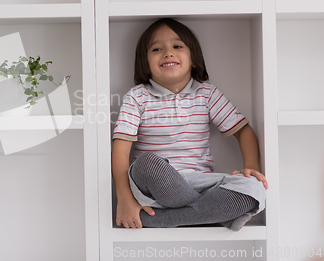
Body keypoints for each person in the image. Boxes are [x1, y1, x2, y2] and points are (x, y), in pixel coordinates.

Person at [112, 18, 268, 231]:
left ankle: (166, 219)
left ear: (193, 59)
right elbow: (120, 150)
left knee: (254, 188)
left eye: (177, 46)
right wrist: (124, 198)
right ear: (144, 63)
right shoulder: (138, 97)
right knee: (147, 163)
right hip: (154, 187)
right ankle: (215, 215)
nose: (168, 52)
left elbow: (243, 131)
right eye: (157, 49)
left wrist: (252, 169)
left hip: (201, 184)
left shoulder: (206, 93)